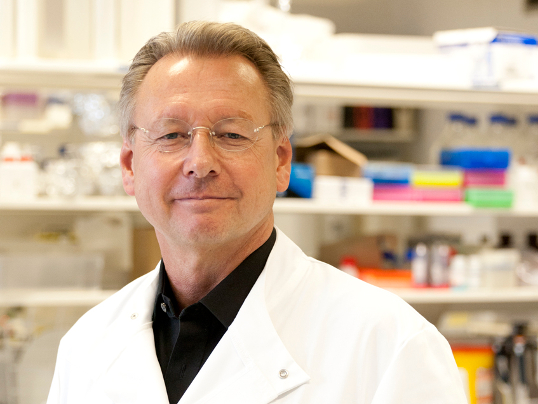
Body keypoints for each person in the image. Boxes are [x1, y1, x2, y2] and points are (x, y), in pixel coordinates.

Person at [47, 21, 467, 404]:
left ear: (281, 161)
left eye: (231, 134)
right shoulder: (87, 347)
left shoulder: (391, 346)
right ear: (129, 167)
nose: (200, 163)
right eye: (171, 134)